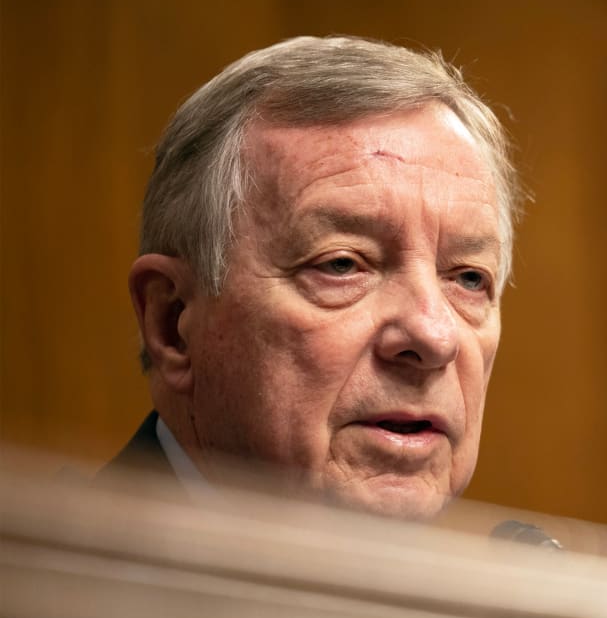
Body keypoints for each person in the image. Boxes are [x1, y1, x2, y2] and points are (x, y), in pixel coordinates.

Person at [98, 36, 521, 521]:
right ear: (172, 324)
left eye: (468, 279)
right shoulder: (53, 568)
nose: (435, 336)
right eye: (342, 265)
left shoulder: (518, 564)